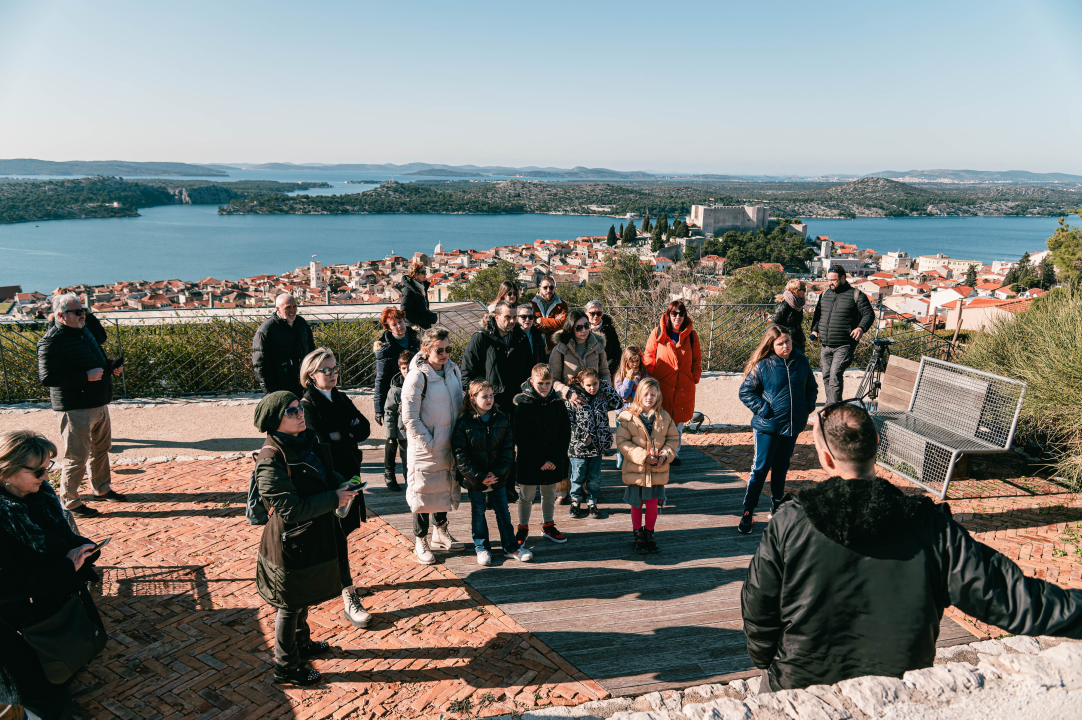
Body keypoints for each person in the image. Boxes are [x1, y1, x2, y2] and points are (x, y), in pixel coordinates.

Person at [741, 403, 1082, 692]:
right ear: (877, 448)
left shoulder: (790, 522)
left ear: (826, 459)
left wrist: (766, 660)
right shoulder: (929, 526)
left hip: (800, 681)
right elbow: (1007, 597)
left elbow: (758, 603)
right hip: (899, 685)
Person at [253, 392, 368, 687]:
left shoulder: (308, 441)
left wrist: (342, 482)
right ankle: (286, 666)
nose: (299, 413)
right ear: (275, 421)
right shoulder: (270, 459)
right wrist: (334, 498)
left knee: (302, 597)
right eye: (291, 412)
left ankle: (302, 644)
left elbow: (324, 474)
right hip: (288, 544)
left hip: (311, 537)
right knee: (289, 605)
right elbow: (291, 509)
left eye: (298, 408)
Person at [0, 430, 106, 720]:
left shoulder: (41, 494)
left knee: (62, 665)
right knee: (39, 690)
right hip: (21, 623)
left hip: (57, 604)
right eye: (38, 470)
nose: (46, 476)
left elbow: (59, 537)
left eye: (48, 467)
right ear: (7, 470)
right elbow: (7, 585)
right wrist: (64, 568)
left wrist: (82, 550)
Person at [36, 292, 125, 519]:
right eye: (77, 312)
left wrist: (110, 366)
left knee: (101, 449)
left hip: (98, 402)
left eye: (82, 310)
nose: (82, 315)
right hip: (75, 407)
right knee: (76, 457)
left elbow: (96, 359)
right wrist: (85, 376)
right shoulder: (51, 341)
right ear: (60, 315)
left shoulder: (85, 332)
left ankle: (101, 488)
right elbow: (47, 378)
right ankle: (70, 501)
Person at [736, 326, 818, 535]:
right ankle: (748, 511)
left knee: (781, 468)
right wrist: (764, 410)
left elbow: (812, 387)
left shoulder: (802, 361)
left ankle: (776, 505)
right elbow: (746, 392)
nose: (785, 346)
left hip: (792, 426)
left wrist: (807, 406)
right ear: (772, 345)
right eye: (780, 343)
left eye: (788, 341)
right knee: (760, 469)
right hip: (768, 427)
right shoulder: (763, 365)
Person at [402, 327, 465, 564]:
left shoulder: (453, 370)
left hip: (450, 443)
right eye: (440, 350)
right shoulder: (417, 376)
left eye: (448, 349)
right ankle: (420, 540)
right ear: (426, 350)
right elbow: (409, 418)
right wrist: (429, 442)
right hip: (427, 447)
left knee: (445, 488)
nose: (445, 353)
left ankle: (441, 531)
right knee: (423, 492)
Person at [453, 381, 533, 566]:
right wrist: (480, 476)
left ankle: (511, 547)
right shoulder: (464, 423)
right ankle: (482, 547)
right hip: (475, 478)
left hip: (498, 477)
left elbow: (508, 450)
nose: (489, 399)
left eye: (491, 395)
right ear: (473, 399)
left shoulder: (502, 418)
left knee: (503, 512)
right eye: (484, 396)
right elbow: (460, 454)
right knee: (478, 512)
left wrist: (497, 473)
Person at [300, 348, 372, 537]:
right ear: (312, 374)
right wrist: (350, 430)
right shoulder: (309, 404)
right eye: (326, 371)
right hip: (331, 476)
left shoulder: (340, 396)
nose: (333, 375)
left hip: (351, 468)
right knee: (332, 529)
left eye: (335, 369)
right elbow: (322, 442)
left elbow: (364, 428)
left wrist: (341, 434)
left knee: (346, 527)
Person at [615, 378, 678, 555]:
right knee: (636, 504)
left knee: (652, 504)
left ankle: (649, 533)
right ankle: (637, 534)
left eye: (653, 394)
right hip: (637, 470)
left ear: (658, 396)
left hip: (657, 470)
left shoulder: (664, 417)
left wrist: (664, 456)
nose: (649, 397)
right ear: (638, 395)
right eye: (645, 394)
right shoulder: (628, 417)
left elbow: (673, 439)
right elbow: (622, 442)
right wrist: (643, 457)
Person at [513, 365, 571, 546]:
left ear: (552, 381)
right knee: (526, 495)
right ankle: (523, 527)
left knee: (549, 493)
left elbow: (565, 433)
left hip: (553, 460)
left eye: (548, 383)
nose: (544, 387)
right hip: (529, 460)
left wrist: (554, 459)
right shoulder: (523, 406)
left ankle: (548, 525)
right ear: (531, 382)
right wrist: (539, 461)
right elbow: (520, 438)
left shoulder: (558, 404)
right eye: (540, 383)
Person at [643, 300, 701, 466]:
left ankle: (672, 455)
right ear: (668, 314)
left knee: (677, 424)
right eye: (674, 313)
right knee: (658, 421)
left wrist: (693, 377)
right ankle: (656, 453)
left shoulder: (691, 335)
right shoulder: (657, 333)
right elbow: (649, 356)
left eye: (681, 314)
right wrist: (652, 379)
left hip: (683, 386)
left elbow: (697, 359)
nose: (677, 317)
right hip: (661, 386)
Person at [810, 265, 874, 404]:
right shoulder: (824, 294)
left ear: (843, 278)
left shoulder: (856, 295)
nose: (830, 283)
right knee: (826, 376)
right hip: (826, 344)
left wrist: (860, 328)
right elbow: (818, 316)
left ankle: (833, 409)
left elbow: (869, 314)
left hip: (844, 344)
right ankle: (832, 405)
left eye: (834, 280)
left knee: (834, 375)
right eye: (829, 280)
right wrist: (814, 330)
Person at [372, 308, 420, 489]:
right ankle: (389, 474)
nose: (399, 327)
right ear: (388, 327)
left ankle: (410, 474)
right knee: (392, 438)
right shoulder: (386, 350)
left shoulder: (416, 341)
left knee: (410, 438)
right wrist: (378, 408)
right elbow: (381, 380)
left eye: (400, 322)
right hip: (394, 397)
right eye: (394, 324)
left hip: (415, 393)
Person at [564, 368, 621, 520]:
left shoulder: (602, 397)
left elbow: (618, 402)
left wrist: (606, 388)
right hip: (578, 448)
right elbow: (566, 422)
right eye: (588, 385)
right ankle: (575, 502)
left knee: (594, 478)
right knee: (577, 476)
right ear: (582, 384)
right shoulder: (574, 400)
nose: (592, 388)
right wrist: (583, 436)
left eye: (595, 384)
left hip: (597, 447)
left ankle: (592, 502)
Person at [461, 302, 532, 417]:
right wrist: (479, 399)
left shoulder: (522, 338)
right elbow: (467, 373)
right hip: (489, 405)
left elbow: (529, 369)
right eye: (507, 317)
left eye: (514, 317)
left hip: (517, 403)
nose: (512, 321)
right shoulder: (480, 338)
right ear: (497, 317)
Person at [252, 293, 315, 398]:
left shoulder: (301, 323)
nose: (292, 310)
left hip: (304, 383)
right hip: (281, 386)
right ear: (278, 309)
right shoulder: (266, 331)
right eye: (288, 308)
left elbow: (312, 351)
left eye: (295, 306)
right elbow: (261, 366)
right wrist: (271, 395)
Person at [549, 309, 612, 402]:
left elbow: (605, 373)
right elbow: (552, 379)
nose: (584, 330)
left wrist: (604, 389)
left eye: (586, 326)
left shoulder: (598, 346)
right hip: (570, 404)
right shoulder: (560, 350)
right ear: (571, 328)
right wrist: (568, 393)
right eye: (579, 328)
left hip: (595, 402)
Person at [381, 351, 414, 492]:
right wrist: (391, 434)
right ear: (400, 369)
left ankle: (412, 484)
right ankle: (394, 478)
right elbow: (389, 412)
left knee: (413, 461)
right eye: (403, 368)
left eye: (409, 368)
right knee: (405, 459)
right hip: (402, 432)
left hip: (416, 429)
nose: (406, 371)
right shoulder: (395, 390)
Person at [613, 346, 649, 470]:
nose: (634, 364)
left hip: (638, 412)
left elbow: (645, 391)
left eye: (637, 361)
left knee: (637, 439)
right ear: (626, 361)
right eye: (632, 361)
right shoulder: (620, 375)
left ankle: (636, 462)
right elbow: (623, 394)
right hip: (623, 413)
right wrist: (629, 379)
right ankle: (621, 463)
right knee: (622, 440)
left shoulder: (643, 374)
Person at [528, 276, 568, 352]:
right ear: (540, 289)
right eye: (545, 288)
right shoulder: (531, 304)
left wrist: (539, 320)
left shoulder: (562, 305)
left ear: (555, 288)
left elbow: (561, 323)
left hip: (555, 348)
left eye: (551, 287)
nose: (548, 290)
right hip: (536, 347)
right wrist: (553, 324)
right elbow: (532, 326)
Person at [584, 300, 622, 378]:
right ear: (586, 314)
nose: (596, 316)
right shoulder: (580, 329)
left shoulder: (609, 329)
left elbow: (616, 351)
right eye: (592, 313)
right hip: (585, 372)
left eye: (599, 313)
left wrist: (609, 367)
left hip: (606, 371)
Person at [397, 259, 438, 330]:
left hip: (424, 326)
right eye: (423, 272)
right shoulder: (408, 290)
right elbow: (404, 311)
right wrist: (418, 321)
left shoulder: (422, 287)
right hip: (415, 328)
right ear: (415, 275)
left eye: (425, 272)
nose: (425, 274)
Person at [772, 279, 808, 352]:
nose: (805, 292)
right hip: (786, 343)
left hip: (798, 340)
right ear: (797, 292)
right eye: (804, 290)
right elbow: (774, 325)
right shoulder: (784, 305)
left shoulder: (798, 304)